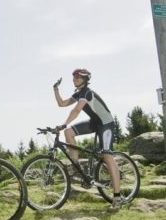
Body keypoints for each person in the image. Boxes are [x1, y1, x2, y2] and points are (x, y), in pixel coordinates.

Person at [53, 68, 124, 209]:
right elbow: (61, 104)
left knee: (107, 156)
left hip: (106, 124)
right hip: (94, 123)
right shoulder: (78, 94)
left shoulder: (87, 93)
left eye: (78, 77)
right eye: (74, 77)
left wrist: (64, 123)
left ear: (85, 79)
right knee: (68, 133)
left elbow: (76, 110)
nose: (75, 79)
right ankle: (76, 166)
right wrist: (55, 89)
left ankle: (117, 197)